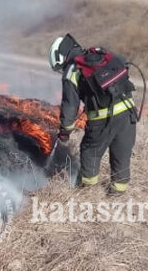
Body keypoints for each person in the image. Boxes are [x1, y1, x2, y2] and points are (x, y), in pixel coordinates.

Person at [48, 34, 137, 196]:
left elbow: (70, 105)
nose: (62, 70)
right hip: (128, 112)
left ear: (61, 57)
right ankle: (118, 193)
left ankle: (87, 192)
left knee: (89, 151)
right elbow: (123, 63)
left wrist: (65, 131)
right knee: (121, 153)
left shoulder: (72, 70)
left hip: (103, 119)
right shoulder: (99, 54)